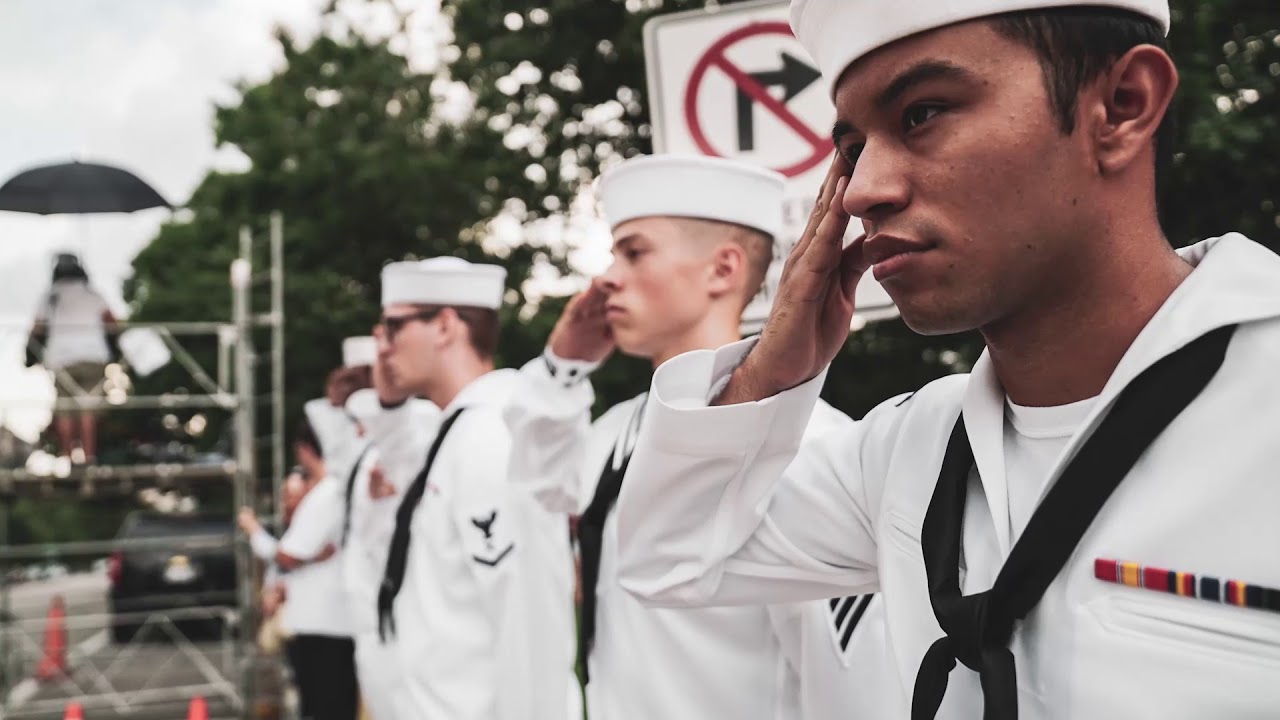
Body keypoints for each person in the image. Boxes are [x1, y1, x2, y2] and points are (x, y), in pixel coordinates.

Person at [614, 1, 1280, 718]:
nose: (864, 190)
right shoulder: (911, 449)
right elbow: (665, 557)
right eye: (850, 149)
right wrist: (769, 370)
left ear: (1122, 106)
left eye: (922, 113)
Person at [504, 154, 891, 720]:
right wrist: (561, 368)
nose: (606, 277)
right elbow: (538, 488)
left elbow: (851, 681)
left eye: (633, 251)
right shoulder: (619, 430)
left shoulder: (808, 442)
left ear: (723, 269)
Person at [375, 257, 575, 720]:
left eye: (393, 326)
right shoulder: (460, 429)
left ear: (445, 326)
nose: (382, 346)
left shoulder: (491, 436)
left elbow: (528, 624)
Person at [341, 326, 440, 720]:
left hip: (402, 609)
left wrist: (387, 501)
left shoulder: (421, 425)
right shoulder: (367, 452)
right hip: (368, 606)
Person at [242, 417, 355, 720]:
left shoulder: (327, 493)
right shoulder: (334, 492)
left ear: (305, 450)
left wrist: (254, 531)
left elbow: (287, 556)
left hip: (324, 623)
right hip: (324, 621)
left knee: (324, 706)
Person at [30, 253, 116, 463]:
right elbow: (113, 323)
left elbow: (37, 327)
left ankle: (68, 458)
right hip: (93, 357)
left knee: (65, 410)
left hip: (62, 359)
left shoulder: (50, 296)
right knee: (88, 407)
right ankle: (88, 458)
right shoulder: (93, 294)